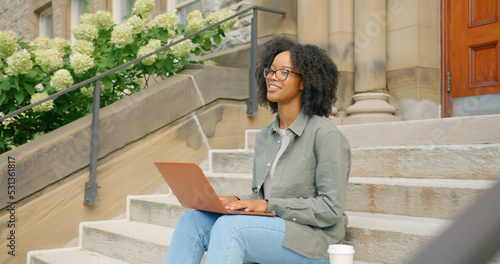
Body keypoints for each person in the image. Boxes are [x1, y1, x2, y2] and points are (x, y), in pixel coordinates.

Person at [164, 36, 351, 264]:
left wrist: (268, 205)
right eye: (270, 71)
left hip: (311, 239)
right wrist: (235, 200)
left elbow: (330, 208)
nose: (272, 76)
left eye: (284, 72)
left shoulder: (326, 136)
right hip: (273, 225)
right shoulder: (265, 136)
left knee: (229, 227)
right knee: (192, 221)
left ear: (305, 82)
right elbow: (263, 197)